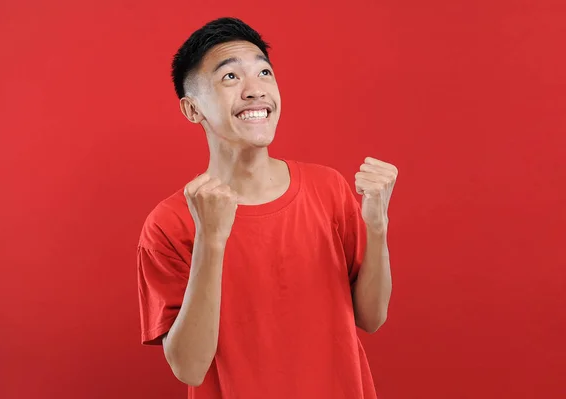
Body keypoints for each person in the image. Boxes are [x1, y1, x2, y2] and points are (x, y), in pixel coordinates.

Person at [136, 16, 398, 399]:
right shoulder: (169, 224)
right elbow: (189, 368)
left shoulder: (328, 189)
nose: (255, 90)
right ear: (193, 110)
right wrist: (210, 239)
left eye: (263, 72)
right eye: (230, 78)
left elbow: (371, 319)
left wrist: (377, 227)